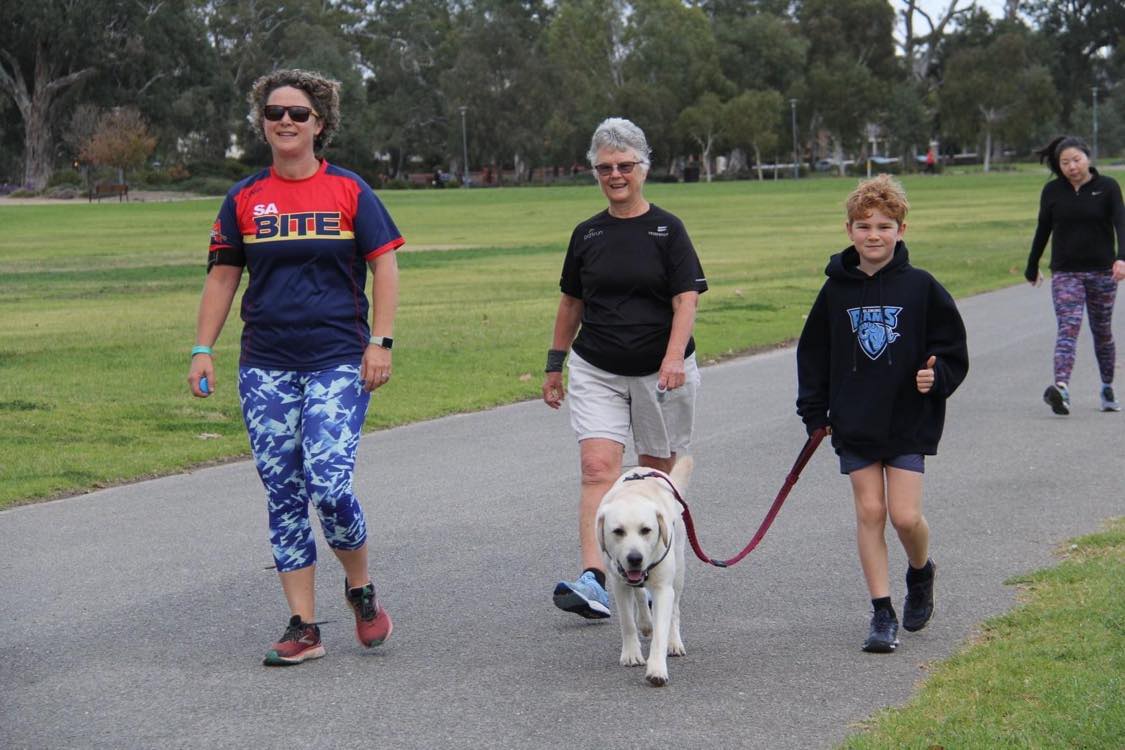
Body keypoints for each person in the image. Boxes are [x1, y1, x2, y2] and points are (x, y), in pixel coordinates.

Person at [188, 69, 404, 666]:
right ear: (262, 123)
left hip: (338, 358)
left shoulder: (350, 191)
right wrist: (202, 347)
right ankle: (304, 628)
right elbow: (224, 275)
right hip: (266, 366)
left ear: (320, 124)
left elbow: (384, 265)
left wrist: (380, 341)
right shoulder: (244, 199)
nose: (286, 121)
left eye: (299, 113)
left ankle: (359, 588)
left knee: (330, 485)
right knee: (283, 491)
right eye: (275, 112)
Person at [542, 117, 708, 619]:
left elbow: (686, 299)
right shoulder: (587, 233)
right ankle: (595, 578)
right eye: (605, 167)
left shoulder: (667, 229)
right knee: (597, 470)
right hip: (597, 366)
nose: (615, 175)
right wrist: (555, 364)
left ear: (643, 169)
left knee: (654, 479)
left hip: (660, 370)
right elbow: (572, 302)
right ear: (595, 172)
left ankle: (657, 581)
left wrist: (674, 357)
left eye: (625, 166)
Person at [796, 175, 968, 653]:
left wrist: (939, 379)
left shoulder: (922, 287)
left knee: (905, 516)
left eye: (884, 225)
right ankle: (881, 612)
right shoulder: (833, 292)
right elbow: (812, 357)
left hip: (908, 420)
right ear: (848, 230)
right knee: (870, 511)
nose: (874, 234)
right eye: (864, 225)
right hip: (854, 421)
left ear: (902, 229)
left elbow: (952, 351)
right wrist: (815, 415)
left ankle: (920, 571)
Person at [1025, 135, 1125, 415]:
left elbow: (1121, 223)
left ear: (1088, 158)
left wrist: (1122, 258)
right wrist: (1032, 265)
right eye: (1065, 162)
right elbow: (1043, 229)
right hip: (1066, 272)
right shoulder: (1053, 192)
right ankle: (1062, 388)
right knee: (1068, 327)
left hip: (1102, 272)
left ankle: (1107, 386)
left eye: (1076, 160)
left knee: (1102, 332)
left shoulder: (1108, 188)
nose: (1072, 166)